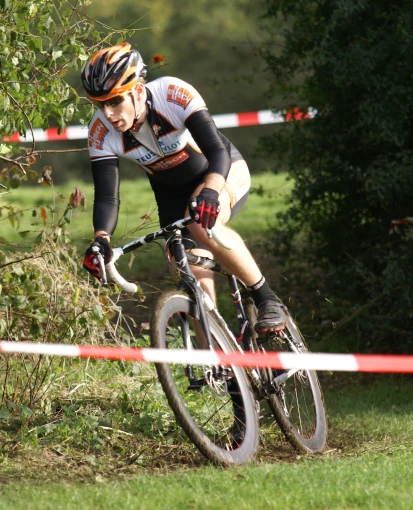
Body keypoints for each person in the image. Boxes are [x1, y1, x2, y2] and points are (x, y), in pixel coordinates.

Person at [80, 42, 286, 334]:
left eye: (114, 101)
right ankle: (222, 369)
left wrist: (212, 191)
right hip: (172, 198)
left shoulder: (171, 94)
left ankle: (266, 298)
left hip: (220, 172)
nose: (108, 113)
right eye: (99, 103)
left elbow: (216, 150)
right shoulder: (100, 131)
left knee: (202, 225)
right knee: (186, 278)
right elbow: (107, 196)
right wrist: (101, 239)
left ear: (138, 91)